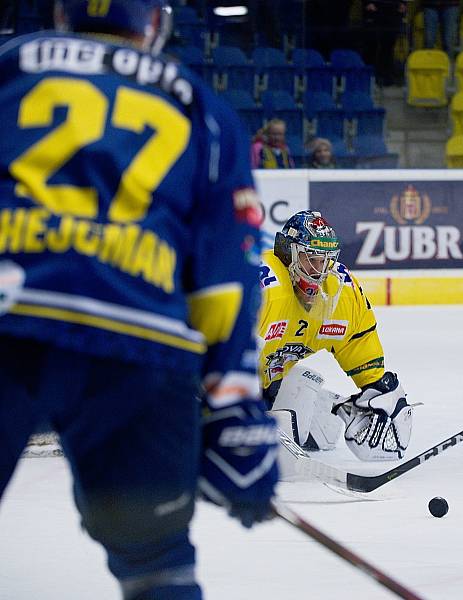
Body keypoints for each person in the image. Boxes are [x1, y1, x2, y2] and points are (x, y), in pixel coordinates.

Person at [0, 1, 279, 598]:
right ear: (155, 22)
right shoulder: (200, 106)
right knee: (157, 564)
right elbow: (226, 275)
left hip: (8, 314)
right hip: (137, 344)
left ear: (61, 12)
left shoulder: (9, 65)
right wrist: (232, 410)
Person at [258, 210, 413, 467]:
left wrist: (379, 387)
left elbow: (357, 339)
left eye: (325, 261)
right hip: (214, 387)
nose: (319, 272)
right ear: (288, 255)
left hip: (271, 382)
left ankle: (322, 406)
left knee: (324, 431)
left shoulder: (340, 292)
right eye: (311, 259)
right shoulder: (262, 288)